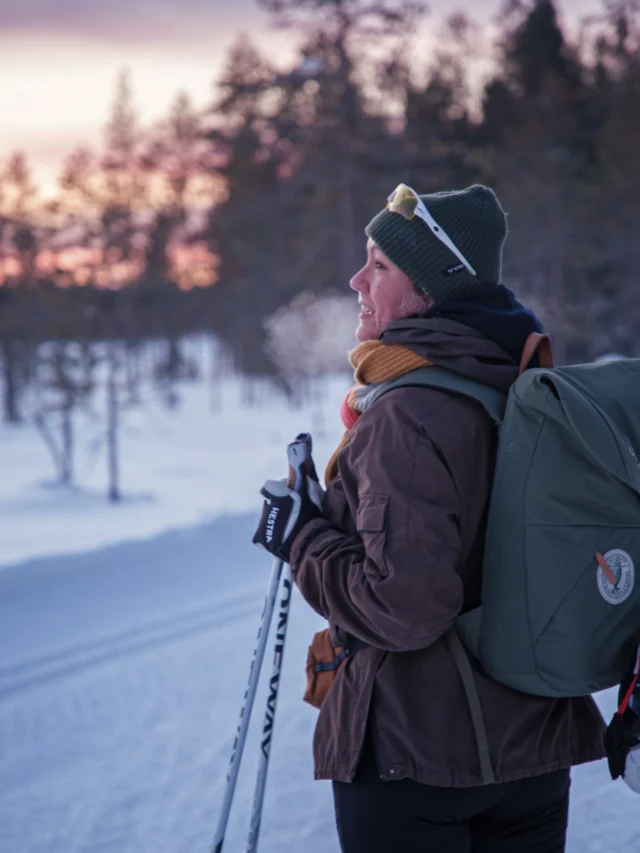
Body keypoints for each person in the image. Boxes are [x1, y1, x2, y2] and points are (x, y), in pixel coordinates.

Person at [253, 184, 606, 853]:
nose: (357, 281)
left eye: (381, 266)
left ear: (432, 288)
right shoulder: (521, 381)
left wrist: (300, 535)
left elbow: (404, 606)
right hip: (532, 750)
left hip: (416, 759)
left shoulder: (409, 412)